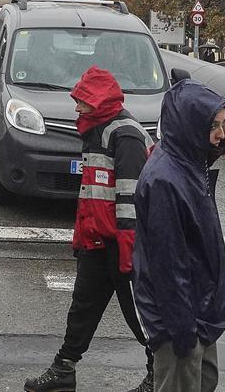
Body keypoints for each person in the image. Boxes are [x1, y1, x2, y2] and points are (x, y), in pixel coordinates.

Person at [24, 66, 156, 392]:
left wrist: (129, 251)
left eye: (82, 101)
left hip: (121, 245)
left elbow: (130, 198)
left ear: (97, 102)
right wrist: (82, 239)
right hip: (98, 242)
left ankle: (160, 374)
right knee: (82, 307)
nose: (76, 108)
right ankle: (64, 368)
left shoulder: (124, 135)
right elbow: (92, 196)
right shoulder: (97, 131)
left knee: (140, 315)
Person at [133, 79, 225, 392]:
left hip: (197, 313)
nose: (221, 134)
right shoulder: (166, 180)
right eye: (214, 125)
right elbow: (168, 265)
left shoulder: (188, 164)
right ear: (191, 126)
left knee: (203, 381)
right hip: (184, 319)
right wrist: (184, 330)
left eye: (222, 125)